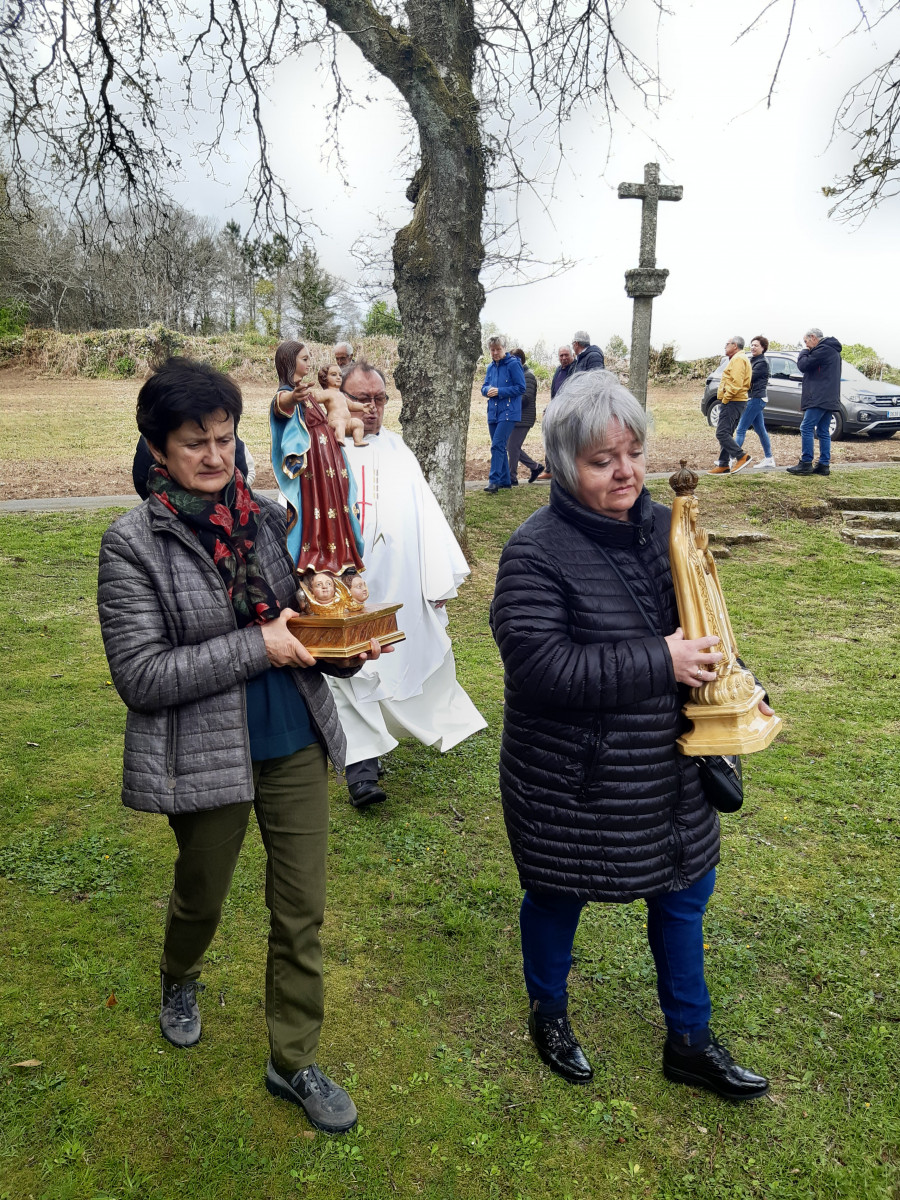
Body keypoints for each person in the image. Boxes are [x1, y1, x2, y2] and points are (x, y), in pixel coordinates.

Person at [97, 357, 388, 1135]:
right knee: (203, 895)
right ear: (157, 448)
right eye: (196, 443)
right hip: (203, 752)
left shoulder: (264, 516)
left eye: (225, 439)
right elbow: (143, 675)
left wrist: (343, 643)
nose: (217, 456)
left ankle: (291, 1060)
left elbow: (296, 615)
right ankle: (179, 973)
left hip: (292, 737)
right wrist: (260, 646)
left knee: (302, 909)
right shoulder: (132, 544)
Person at [490, 369, 772, 1101]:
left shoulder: (664, 525)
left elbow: (703, 616)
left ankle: (690, 1040)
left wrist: (737, 676)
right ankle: (549, 1014)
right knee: (556, 897)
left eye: (634, 453)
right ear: (560, 464)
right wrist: (663, 659)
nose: (625, 472)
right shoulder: (534, 552)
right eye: (601, 460)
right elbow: (542, 667)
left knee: (683, 894)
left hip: (672, 767)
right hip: (576, 779)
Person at [325, 360, 487, 808]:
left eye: (380, 399)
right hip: (343, 579)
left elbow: (427, 516)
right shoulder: (323, 448)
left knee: (394, 657)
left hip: (398, 580)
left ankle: (400, 730)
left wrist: (436, 578)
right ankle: (362, 769)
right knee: (349, 669)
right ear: (342, 396)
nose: (373, 408)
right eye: (362, 399)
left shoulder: (397, 449)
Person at [270, 340, 366, 577]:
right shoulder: (287, 393)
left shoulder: (307, 391)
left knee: (338, 501)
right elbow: (280, 405)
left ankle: (341, 554)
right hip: (315, 465)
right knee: (320, 504)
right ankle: (320, 557)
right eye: (304, 358)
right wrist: (293, 398)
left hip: (330, 459)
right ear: (290, 362)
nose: (308, 362)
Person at [787, 328, 843, 477]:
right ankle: (824, 465)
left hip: (818, 397)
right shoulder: (834, 351)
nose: (807, 345)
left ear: (813, 337)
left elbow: (803, 365)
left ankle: (806, 462)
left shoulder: (822, 349)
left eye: (806, 341)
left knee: (806, 427)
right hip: (830, 397)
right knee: (823, 431)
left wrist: (804, 351)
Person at [133, 433, 255, 498]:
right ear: (158, 450)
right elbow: (141, 478)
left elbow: (245, 471)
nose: (214, 461)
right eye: (194, 445)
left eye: (224, 441)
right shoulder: (130, 541)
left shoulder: (270, 518)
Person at [481, 335, 526, 494]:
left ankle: (494, 482)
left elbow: (521, 387)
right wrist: (487, 391)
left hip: (509, 411)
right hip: (493, 412)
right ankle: (506, 481)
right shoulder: (490, 368)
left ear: (504, 349)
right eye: (492, 350)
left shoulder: (513, 364)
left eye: (498, 349)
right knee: (499, 446)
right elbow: (484, 387)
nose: (495, 352)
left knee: (497, 445)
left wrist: (500, 392)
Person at [708, 336, 752, 475]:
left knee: (721, 433)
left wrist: (725, 399)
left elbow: (736, 384)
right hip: (736, 401)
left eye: (727, 344)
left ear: (735, 345)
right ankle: (723, 464)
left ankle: (741, 456)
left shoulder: (739, 359)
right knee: (726, 432)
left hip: (733, 401)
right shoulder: (738, 358)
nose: (725, 346)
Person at [735, 335, 775, 469]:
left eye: (756, 345)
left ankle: (727, 459)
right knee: (760, 430)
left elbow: (748, 379)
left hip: (756, 399)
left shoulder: (762, 363)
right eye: (752, 345)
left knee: (741, 429)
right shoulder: (752, 360)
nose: (753, 347)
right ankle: (769, 458)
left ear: (763, 348)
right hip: (754, 398)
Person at [506, 349, 545, 485]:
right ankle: (535, 467)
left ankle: (512, 477)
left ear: (520, 360)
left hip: (524, 418)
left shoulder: (528, 376)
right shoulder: (518, 375)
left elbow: (526, 398)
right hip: (516, 417)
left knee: (512, 446)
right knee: (510, 446)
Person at [315, 363, 368, 446]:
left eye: (340, 375)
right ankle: (339, 439)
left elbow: (351, 405)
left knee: (358, 423)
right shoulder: (327, 392)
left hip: (348, 422)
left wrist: (362, 407)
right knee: (340, 424)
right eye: (333, 375)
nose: (338, 377)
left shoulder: (341, 394)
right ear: (325, 378)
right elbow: (316, 398)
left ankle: (358, 440)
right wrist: (310, 394)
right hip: (334, 422)